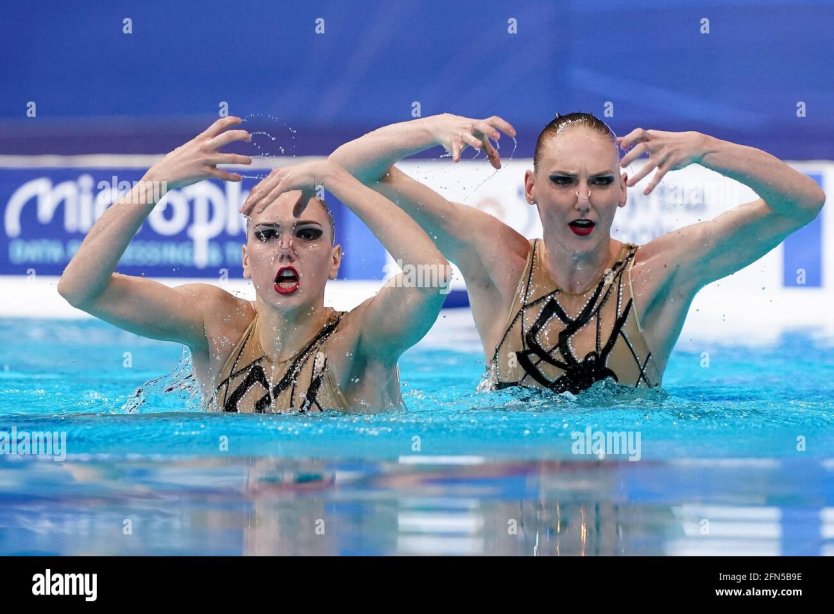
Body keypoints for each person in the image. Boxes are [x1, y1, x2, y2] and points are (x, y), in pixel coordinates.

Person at [326, 112, 826, 393]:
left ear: (623, 189)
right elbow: (346, 170)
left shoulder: (658, 276)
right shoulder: (497, 264)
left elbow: (804, 202)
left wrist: (706, 147)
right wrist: (430, 128)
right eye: (563, 181)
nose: (583, 199)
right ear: (531, 187)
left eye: (600, 182)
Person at [58, 117, 450, 412]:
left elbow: (432, 279)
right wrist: (155, 182)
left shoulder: (360, 340)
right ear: (246, 261)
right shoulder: (218, 325)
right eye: (266, 234)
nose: (286, 248)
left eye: (307, 234)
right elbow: (80, 289)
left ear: (334, 261)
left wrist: (334, 177)